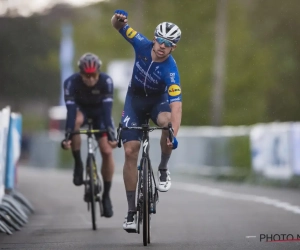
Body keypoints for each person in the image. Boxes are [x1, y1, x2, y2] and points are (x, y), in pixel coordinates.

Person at [111, 10, 182, 232]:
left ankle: (162, 167)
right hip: (134, 101)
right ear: (154, 38)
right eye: (160, 40)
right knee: (130, 151)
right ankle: (131, 212)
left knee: (167, 124)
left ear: (173, 48)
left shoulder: (171, 71)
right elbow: (116, 25)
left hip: (157, 104)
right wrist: (118, 19)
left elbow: (176, 106)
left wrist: (174, 135)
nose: (162, 46)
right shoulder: (140, 43)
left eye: (168, 44)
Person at [61, 53, 117, 218]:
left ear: (99, 72)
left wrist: (112, 136)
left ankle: (106, 195)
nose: (91, 79)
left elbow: (107, 113)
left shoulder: (106, 81)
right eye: (87, 76)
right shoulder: (71, 82)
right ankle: (78, 164)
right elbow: (70, 114)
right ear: (81, 73)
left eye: (94, 75)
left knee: (107, 151)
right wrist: (67, 137)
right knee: (76, 121)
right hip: (82, 113)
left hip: (100, 115)